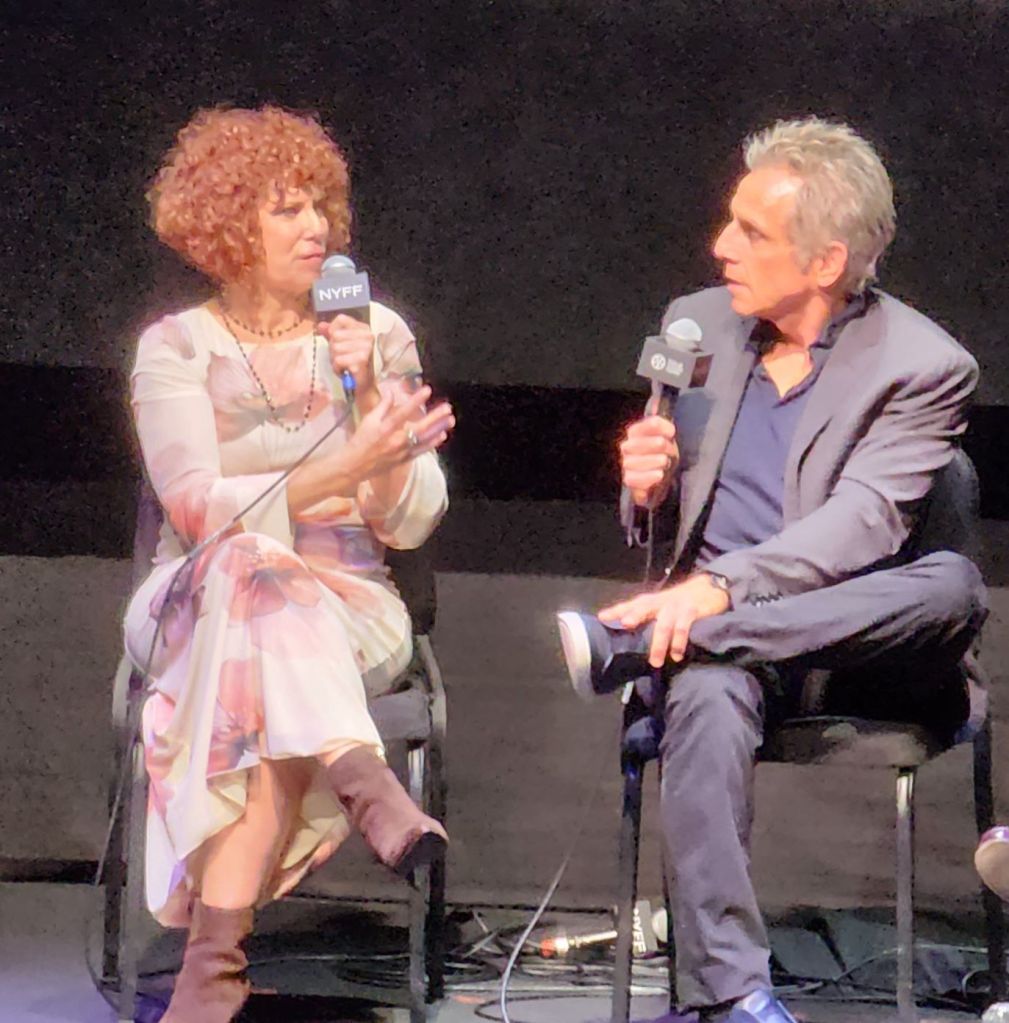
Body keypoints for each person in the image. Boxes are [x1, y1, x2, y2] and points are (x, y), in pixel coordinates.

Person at [557, 117, 987, 1023]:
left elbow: (862, 523)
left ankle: (648, 643)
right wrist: (648, 487)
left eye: (750, 233)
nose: (721, 248)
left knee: (951, 586)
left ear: (825, 261)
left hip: (852, 644)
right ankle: (732, 997)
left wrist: (718, 594)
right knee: (707, 688)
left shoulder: (923, 365)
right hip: (722, 655)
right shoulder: (697, 325)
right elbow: (654, 534)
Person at [123, 104, 456, 1023]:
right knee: (246, 566)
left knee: (259, 655)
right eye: (284, 209)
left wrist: (372, 401)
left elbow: (414, 520)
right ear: (226, 226)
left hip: (348, 605)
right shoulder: (175, 348)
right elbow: (198, 507)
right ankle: (363, 776)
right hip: (192, 596)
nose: (315, 227)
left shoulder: (373, 334)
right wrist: (338, 470)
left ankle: (211, 974)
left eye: (319, 205)